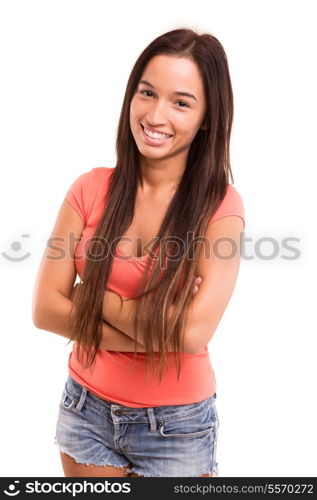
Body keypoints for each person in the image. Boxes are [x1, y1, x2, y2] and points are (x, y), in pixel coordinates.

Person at [32, 28, 245, 478]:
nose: (155, 114)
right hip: (85, 409)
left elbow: (189, 335)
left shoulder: (221, 207)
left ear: (207, 117)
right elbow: (45, 310)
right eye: (147, 93)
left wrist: (90, 297)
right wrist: (152, 329)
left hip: (176, 426)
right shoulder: (88, 188)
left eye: (181, 102)